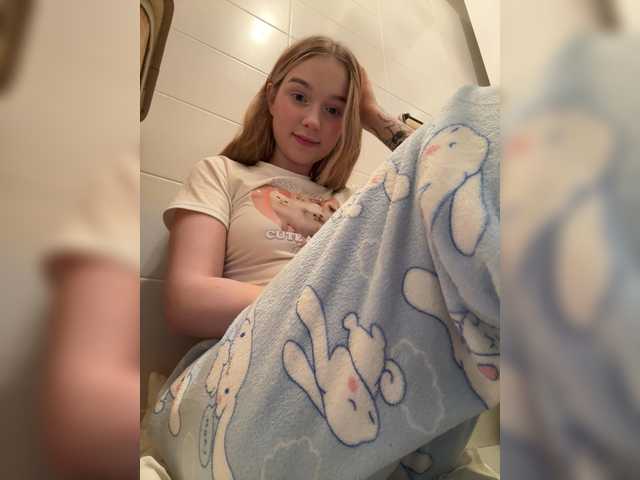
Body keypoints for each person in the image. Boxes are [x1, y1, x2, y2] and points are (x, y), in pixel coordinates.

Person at [162, 35, 414, 339]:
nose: (313, 121)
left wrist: (371, 114)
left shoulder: (352, 201)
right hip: (245, 351)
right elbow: (187, 302)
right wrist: (324, 307)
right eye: (299, 97)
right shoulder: (221, 173)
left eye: (334, 110)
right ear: (272, 97)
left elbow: (441, 182)